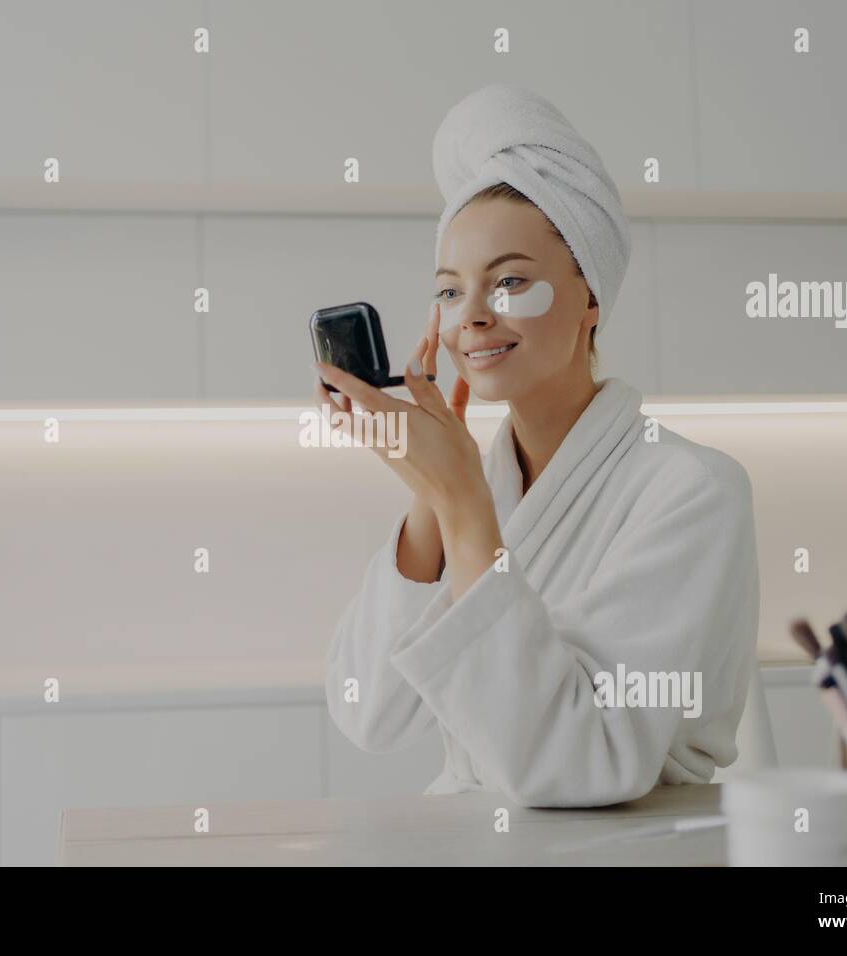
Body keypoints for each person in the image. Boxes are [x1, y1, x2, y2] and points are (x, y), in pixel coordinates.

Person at [313, 83, 760, 807]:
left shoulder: (692, 489)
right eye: (452, 292)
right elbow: (370, 713)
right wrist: (435, 495)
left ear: (591, 299)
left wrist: (459, 502)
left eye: (511, 281)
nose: (474, 318)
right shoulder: (479, 488)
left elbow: (580, 767)